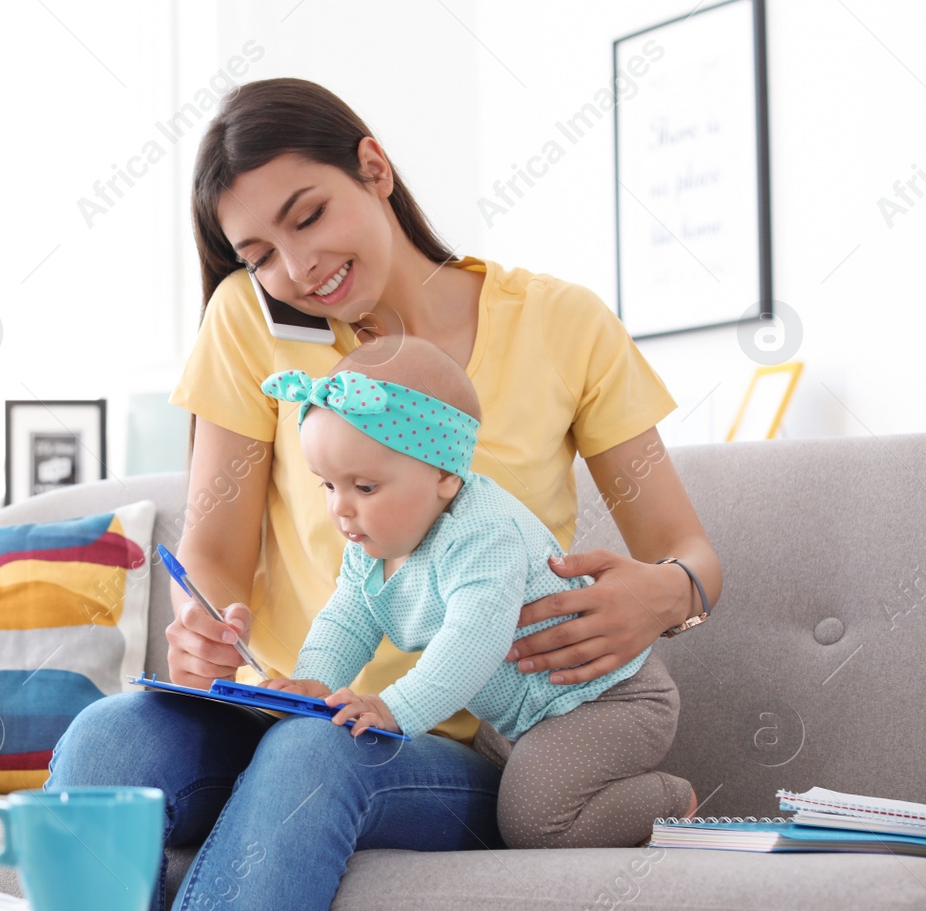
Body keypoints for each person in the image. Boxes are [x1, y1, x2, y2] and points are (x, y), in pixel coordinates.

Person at [44, 77, 721, 911]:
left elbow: (686, 551)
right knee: (111, 740)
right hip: (287, 701)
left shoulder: (563, 324)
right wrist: (203, 625)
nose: (295, 268)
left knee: (316, 751)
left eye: (308, 215)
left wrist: (667, 595)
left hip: (452, 742)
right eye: (257, 252)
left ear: (374, 168)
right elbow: (212, 551)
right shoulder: (250, 327)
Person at [254, 339, 698, 850]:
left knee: (534, 824)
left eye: (365, 487)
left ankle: (669, 800)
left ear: (444, 474)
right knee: (491, 805)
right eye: (328, 486)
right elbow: (347, 619)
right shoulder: (374, 543)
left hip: (606, 701)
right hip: (521, 720)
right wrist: (316, 681)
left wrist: (392, 708)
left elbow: (472, 644)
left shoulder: (484, 535)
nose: (341, 510)